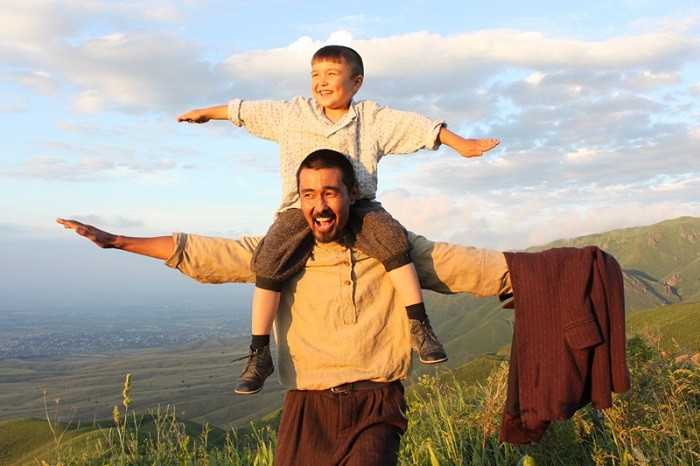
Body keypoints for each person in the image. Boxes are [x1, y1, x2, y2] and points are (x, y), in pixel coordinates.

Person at [58, 149, 512, 465]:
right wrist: (118, 241)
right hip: (307, 407)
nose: (320, 205)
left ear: (353, 195)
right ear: (299, 201)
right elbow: (206, 252)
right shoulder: (285, 252)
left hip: (377, 401)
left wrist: (536, 275)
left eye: (330, 193)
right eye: (309, 195)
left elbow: (463, 264)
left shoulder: (391, 249)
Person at [177, 45, 500, 395]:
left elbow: (417, 126)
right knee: (268, 262)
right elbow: (245, 111)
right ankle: (259, 353)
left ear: (356, 81)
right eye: (315, 75)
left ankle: (419, 326)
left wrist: (461, 144)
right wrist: (206, 113)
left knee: (394, 243)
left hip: (357, 206)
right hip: (299, 210)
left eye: (331, 74)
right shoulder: (292, 114)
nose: (321, 81)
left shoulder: (371, 119)